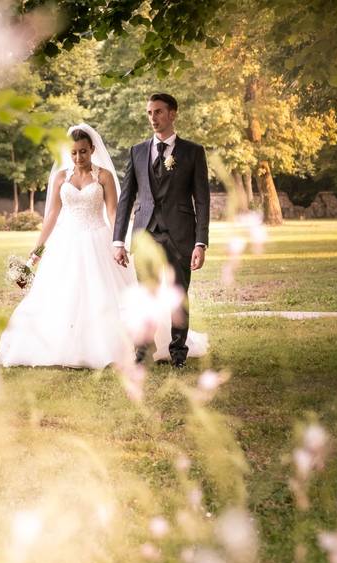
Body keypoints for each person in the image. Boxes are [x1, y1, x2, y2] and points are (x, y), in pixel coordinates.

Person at [0, 123, 207, 369]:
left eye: (83, 151)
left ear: (92, 149)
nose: (78, 157)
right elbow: (51, 214)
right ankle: (60, 347)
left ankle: (136, 346)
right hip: (66, 242)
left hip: (98, 238)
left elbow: (114, 212)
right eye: (73, 152)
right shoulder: (60, 177)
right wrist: (37, 250)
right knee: (61, 295)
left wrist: (121, 242)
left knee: (106, 293)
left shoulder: (103, 175)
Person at [113, 93, 210, 369]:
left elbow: (202, 200)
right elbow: (126, 198)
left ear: (172, 114)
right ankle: (142, 350)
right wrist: (118, 240)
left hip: (180, 236)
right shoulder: (138, 151)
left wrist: (200, 242)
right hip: (146, 235)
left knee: (178, 295)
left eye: (158, 112)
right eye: (149, 113)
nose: (153, 118)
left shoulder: (192, 152)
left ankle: (179, 353)